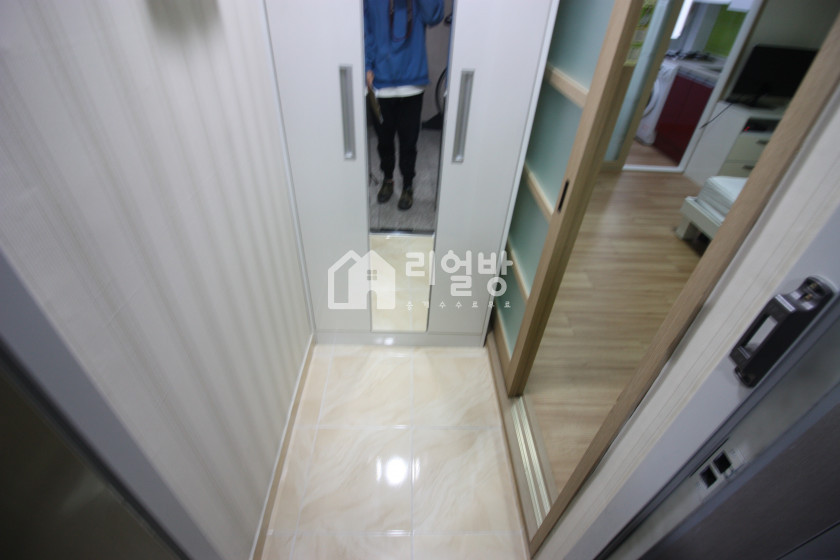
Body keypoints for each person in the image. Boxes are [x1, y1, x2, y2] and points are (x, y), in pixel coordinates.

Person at [364, 0, 444, 210]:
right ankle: (388, 179)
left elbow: (434, 16)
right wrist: (366, 64)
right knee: (384, 141)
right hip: (381, 81)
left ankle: (408, 184)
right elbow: (367, 30)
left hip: (412, 82)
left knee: (409, 142)